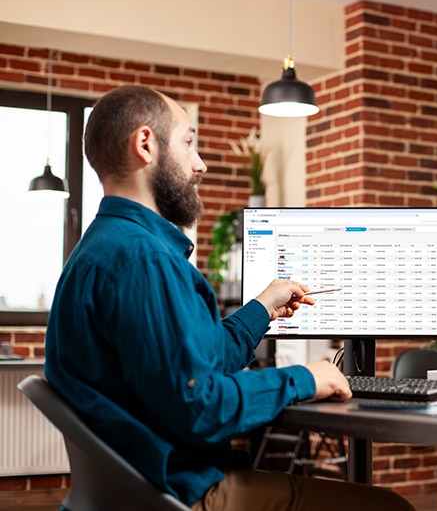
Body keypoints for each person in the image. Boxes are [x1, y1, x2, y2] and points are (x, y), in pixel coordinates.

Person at [44, 85, 415, 511]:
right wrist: (306, 378)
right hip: (180, 493)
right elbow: (199, 407)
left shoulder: (102, 247)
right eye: (188, 142)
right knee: (392, 507)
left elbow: (196, 364)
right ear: (146, 144)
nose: (199, 163)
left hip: (132, 491)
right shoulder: (145, 260)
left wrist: (263, 307)